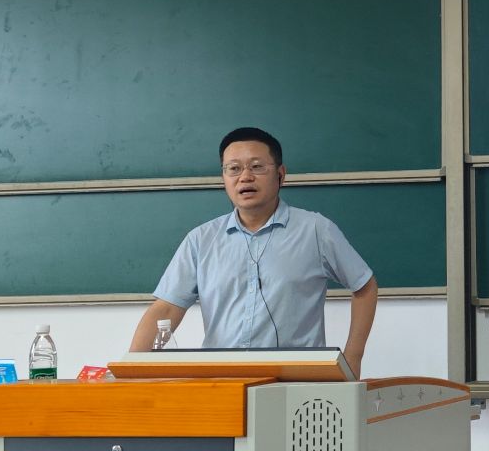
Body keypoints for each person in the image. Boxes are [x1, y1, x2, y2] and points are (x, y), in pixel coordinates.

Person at [130, 127, 377, 374]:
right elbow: (165, 309)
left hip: (295, 379)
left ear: (280, 174)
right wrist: (129, 372)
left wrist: (353, 357)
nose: (245, 177)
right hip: (222, 379)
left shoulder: (315, 230)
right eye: (234, 168)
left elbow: (364, 286)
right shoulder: (201, 239)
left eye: (257, 167)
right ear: (224, 177)